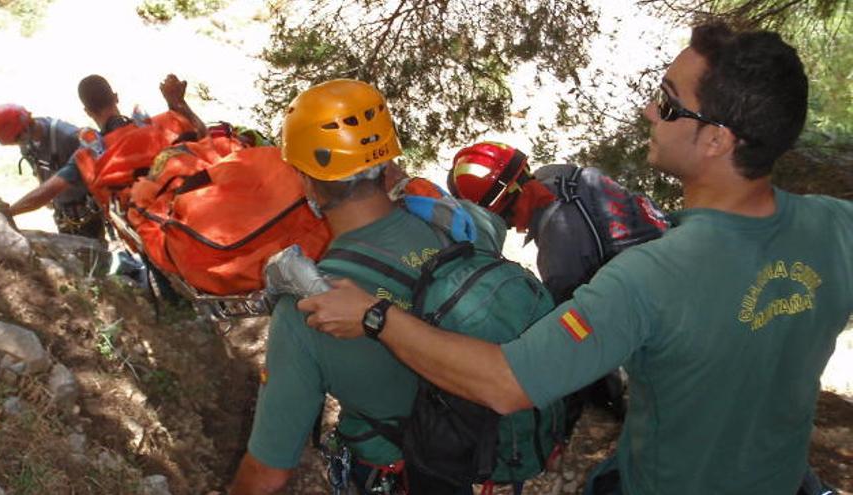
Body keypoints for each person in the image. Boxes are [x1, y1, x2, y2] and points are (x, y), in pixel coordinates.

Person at [298, 22, 852, 494]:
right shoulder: (836, 225)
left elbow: (504, 382)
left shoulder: (649, 279)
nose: (649, 110)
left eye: (667, 102)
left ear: (716, 141)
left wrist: (376, 316)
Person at [228, 79, 514, 495]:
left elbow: (267, 474)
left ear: (306, 181)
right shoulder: (455, 227)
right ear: (387, 162)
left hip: (398, 475)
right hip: (474, 449)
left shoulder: (308, 310)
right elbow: (494, 228)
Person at [448, 142, 669, 429]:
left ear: (504, 209)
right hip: (666, 252)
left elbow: (582, 327)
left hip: (663, 309)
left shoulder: (560, 245)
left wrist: (597, 398)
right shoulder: (556, 176)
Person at [4, 74, 206, 225]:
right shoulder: (160, 125)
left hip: (151, 232)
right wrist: (178, 103)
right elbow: (203, 138)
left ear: (87, 111)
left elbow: (46, 193)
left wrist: (7, 212)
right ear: (116, 97)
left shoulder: (89, 156)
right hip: (193, 210)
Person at [0, 104, 103, 240]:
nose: (17, 145)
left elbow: (50, 190)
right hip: (63, 211)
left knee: (93, 251)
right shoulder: (28, 143)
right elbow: (40, 171)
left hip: (87, 211)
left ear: (22, 132)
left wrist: (8, 212)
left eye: (15, 141)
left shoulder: (68, 137)